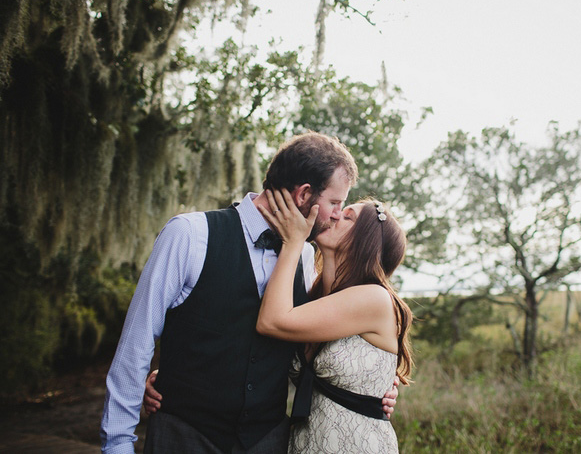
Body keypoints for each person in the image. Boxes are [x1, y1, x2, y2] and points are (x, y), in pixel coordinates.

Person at [100, 132, 397, 454]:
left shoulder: (306, 256)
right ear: (304, 194)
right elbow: (135, 346)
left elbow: (324, 345)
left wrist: (373, 387)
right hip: (184, 435)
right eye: (335, 203)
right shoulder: (188, 235)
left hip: (267, 440)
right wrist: (118, 442)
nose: (337, 214)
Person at [255, 188, 413, 453]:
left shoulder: (373, 299)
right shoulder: (311, 299)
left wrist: (294, 241)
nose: (336, 215)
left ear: (367, 241)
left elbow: (271, 321)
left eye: (349, 217)